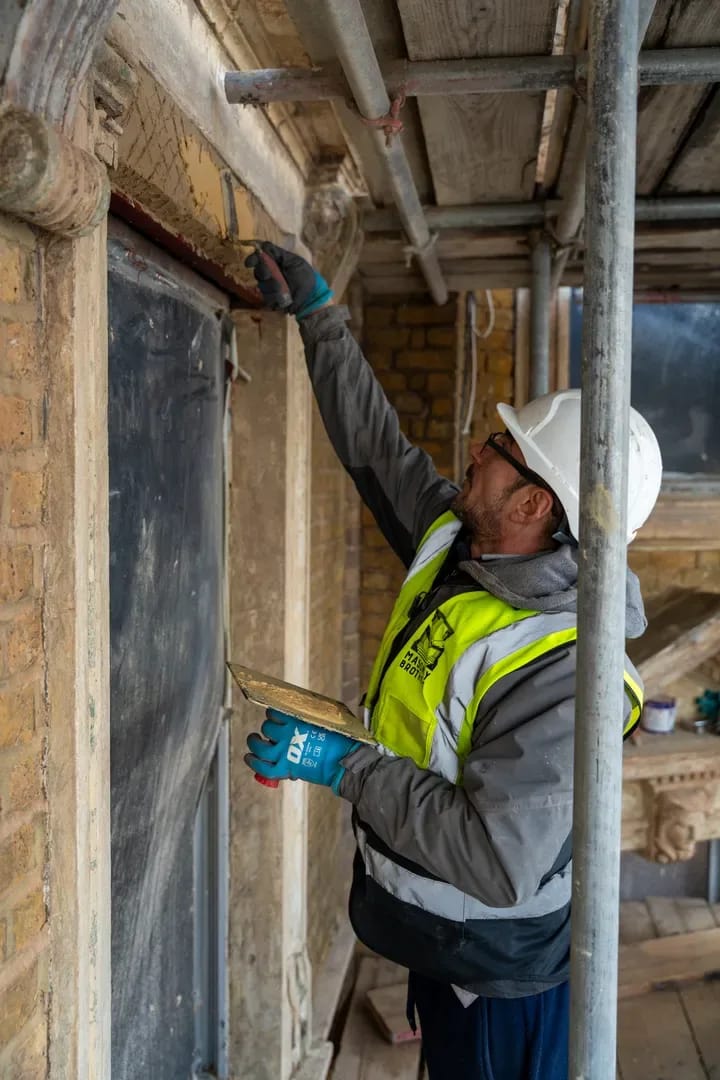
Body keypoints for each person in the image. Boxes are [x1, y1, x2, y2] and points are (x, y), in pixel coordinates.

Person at [243, 243, 663, 1079]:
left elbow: (497, 861)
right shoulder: (462, 543)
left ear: (533, 502)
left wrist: (340, 763)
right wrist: (321, 320)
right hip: (443, 944)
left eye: (500, 447)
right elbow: (378, 448)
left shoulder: (567, 669)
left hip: (502, 984)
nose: (477, 450)